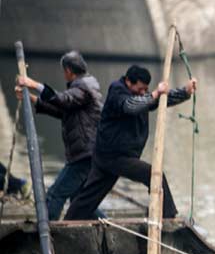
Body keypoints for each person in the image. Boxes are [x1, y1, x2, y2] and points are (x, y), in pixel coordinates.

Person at [63, 64, 196, 220]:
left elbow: (160, 99)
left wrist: (185, 92)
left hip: (112, 156)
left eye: (145, 89)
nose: (143, 92)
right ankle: (168, 217)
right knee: (154, 175)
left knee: (89, 197)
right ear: (128, 82)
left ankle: (68, 222)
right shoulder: (117, 91)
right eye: (139, 89)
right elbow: (130, 106)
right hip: (113, 156)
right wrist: (154, 94)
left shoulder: (144, 95)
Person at [16, 50, 103, 219]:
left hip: (84, 156)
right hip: (85, 155)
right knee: (80, 200)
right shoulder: (84, 87)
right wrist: (33, 99)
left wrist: (33, 84)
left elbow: (63, 100)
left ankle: (48, 234)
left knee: (55, 194)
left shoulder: (83, 88)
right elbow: (63, 111)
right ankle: (107, 226)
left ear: (68, 70)